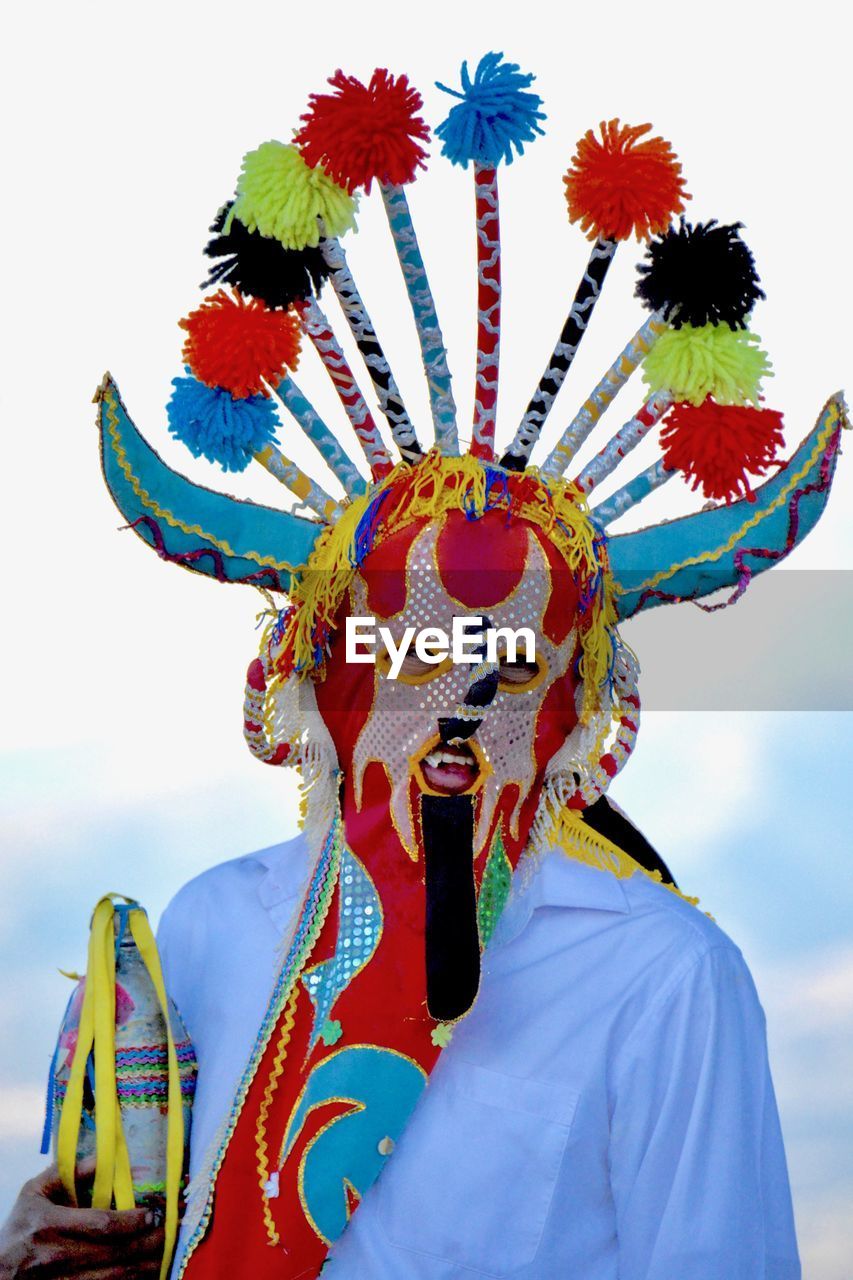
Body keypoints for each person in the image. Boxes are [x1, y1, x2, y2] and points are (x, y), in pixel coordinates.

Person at [2, 53, 847, 1280]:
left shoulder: (663, 976)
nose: (447, 707)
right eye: (397, 641)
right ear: (301, 673)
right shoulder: (205, 929)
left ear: (583, 706)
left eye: (505, 660)